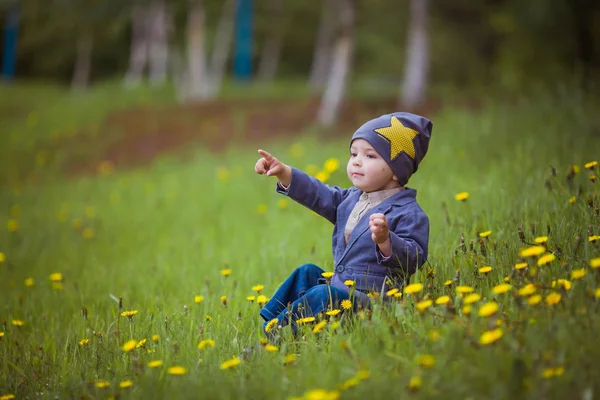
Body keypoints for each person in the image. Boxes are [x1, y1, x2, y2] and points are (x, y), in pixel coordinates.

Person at [254, 112, 432, 337]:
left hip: (372, 303)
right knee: (307, 272)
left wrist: (387, 241)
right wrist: (284, 173)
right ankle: (269, 326)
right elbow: (317, 193)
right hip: (342, 291)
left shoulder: (408, 213)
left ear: (397, 170)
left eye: (370, 156)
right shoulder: (350, 199)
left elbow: (414, 258)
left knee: (322, 294)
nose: (357, 161)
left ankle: (284, 336)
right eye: (353, 154)